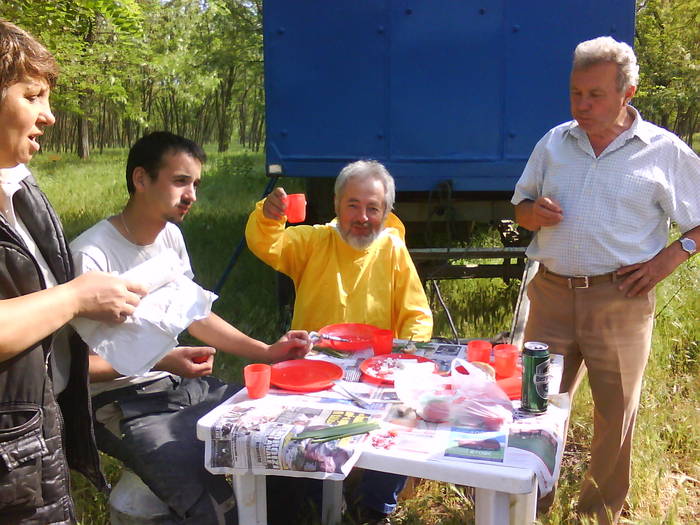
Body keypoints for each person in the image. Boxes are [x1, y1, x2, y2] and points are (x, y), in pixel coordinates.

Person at [70, 131, 312, 525]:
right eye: (181, 181)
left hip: (178, 386)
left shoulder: (170, 237)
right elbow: (74, 368)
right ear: (141, 179)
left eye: (195, 183)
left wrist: (267, 352)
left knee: (278, 434)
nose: (192, 195)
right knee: (212, 507)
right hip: (118, 405)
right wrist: (163, 360)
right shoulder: (91, 254)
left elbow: (194, 314)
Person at [511, 36, 699, 524]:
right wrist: (532, 212)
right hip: (550, 296)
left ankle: (596, 515)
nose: (582, 105)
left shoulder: (663, 151)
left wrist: (669, 259)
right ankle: (528, 505)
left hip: (620, 300)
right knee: (535, 407)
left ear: (627, 93)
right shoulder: (554, 142)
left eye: (595, 94)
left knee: (614, 416)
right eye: (576, 93)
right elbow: (519, 207)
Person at [0, 20, 147, 523]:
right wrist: (77, 296)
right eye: (32, 95)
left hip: (36, 437)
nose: (49, 115)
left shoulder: (20, 188)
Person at [246, 159, 433, 522]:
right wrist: (268, 215)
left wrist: (406, 356)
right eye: (353, 205)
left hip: (375, 373)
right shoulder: (313, 240)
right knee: (282, 431)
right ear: (336, 205)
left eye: (373, 208)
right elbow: (268, 244)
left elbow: (417, 314)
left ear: (386, 211)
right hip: (311, 372)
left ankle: (374, 508)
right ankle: (310, 498)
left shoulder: (392, 249)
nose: (362, 217)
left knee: (407, 420)